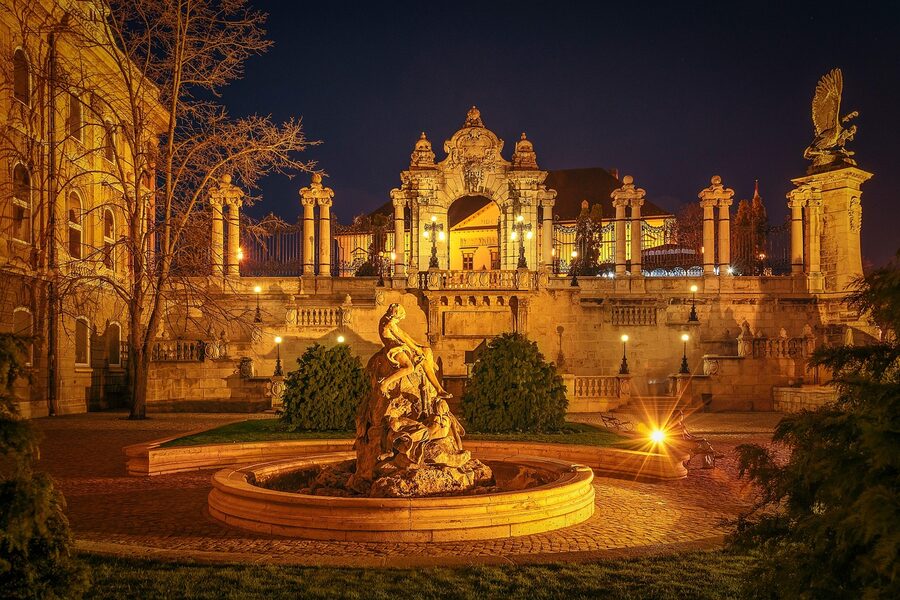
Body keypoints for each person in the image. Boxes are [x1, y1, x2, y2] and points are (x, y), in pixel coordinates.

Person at [377, 304, 451, 398]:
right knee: (409, 368)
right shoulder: (390, 324)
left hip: (399, 346)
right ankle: (385, 383)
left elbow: (405, 334)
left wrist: (417, 346)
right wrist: (416, 349)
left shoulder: (386, 319)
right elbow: (403, 338)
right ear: (396, 316)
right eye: (399, 318)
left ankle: (439, 390)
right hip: (394, 349)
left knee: (424, 360)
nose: (399, 320)